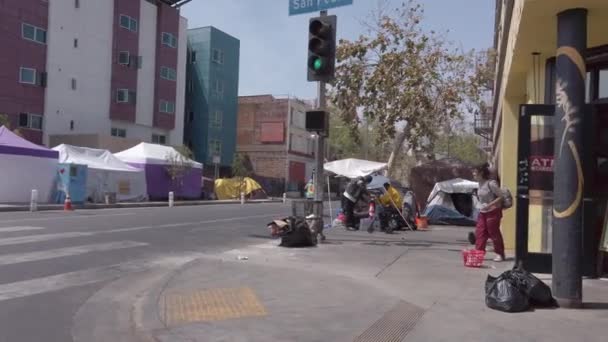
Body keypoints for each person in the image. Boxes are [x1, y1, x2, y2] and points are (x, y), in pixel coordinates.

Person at [472, 163, 505, 262]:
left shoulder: (491, 183)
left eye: (475, 172)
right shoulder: (479, 184)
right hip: (483, 212)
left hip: (493, 211)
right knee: (480, 232)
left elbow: (501, 196)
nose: (473, 174)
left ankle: (500, 254)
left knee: (493, 233)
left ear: (481, 173)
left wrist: (489, 205)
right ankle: (479, 253)